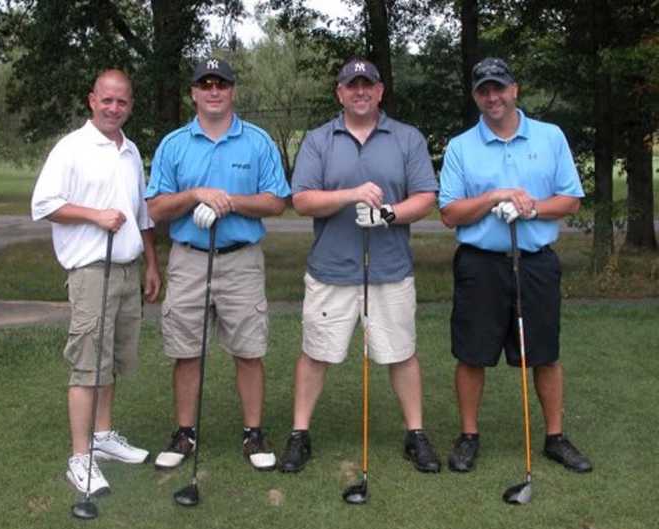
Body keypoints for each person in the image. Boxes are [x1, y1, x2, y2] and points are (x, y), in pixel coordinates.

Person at [278, 58, 441, 474]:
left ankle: (416, 434)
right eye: (352, 85)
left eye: (368, 84)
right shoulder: (319, 140)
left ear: (380, 91)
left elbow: (425, 196)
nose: (360, 91)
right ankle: (299, 433)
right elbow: (302, 200)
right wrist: (351, 195)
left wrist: (389, 214)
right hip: (331, 269)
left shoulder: (406, 138)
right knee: (316, 353)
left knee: (401, 354)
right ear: (340, 92)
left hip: (389, 268)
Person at [439, 57, 592, 473]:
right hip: (480, 264)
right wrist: (494, 197)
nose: (493, 97)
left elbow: (571, 199)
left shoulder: (550, 136)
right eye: (484, 90)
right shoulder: (460, 146)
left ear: (514, 89)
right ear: (475, 96)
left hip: (536, 262)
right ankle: (469, 436)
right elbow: (450, 213)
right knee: (472, 354)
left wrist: (530, 209)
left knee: (545, 354)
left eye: (499, 88)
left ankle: (555, 437)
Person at [146, 58, 289, 472]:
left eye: (221, 84)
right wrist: (195, 196)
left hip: (241, 260)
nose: (213, 91)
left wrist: (229, 202)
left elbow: (277, 201)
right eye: (205, 84)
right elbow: (155, 208)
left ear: (232, 91)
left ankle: (254, 433)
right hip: (188, 261)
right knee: (186, 351)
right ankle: (185, 433)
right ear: (192, 92)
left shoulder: (257, 141)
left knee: (248, 350)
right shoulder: (174, 144)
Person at [31, 69, 162, 496]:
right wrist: (95, 214)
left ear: (130, 105)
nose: (114, 108)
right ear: (92, 100)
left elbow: (141, 214)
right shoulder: (71, 148)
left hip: (127, 269)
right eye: (107, 100)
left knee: (111, 361)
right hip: (91, 271)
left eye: (122, 101)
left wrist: (152, 265)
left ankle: (103, 437)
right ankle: (80, 457)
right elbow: (45, 204)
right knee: (88, 363)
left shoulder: (130, 150)